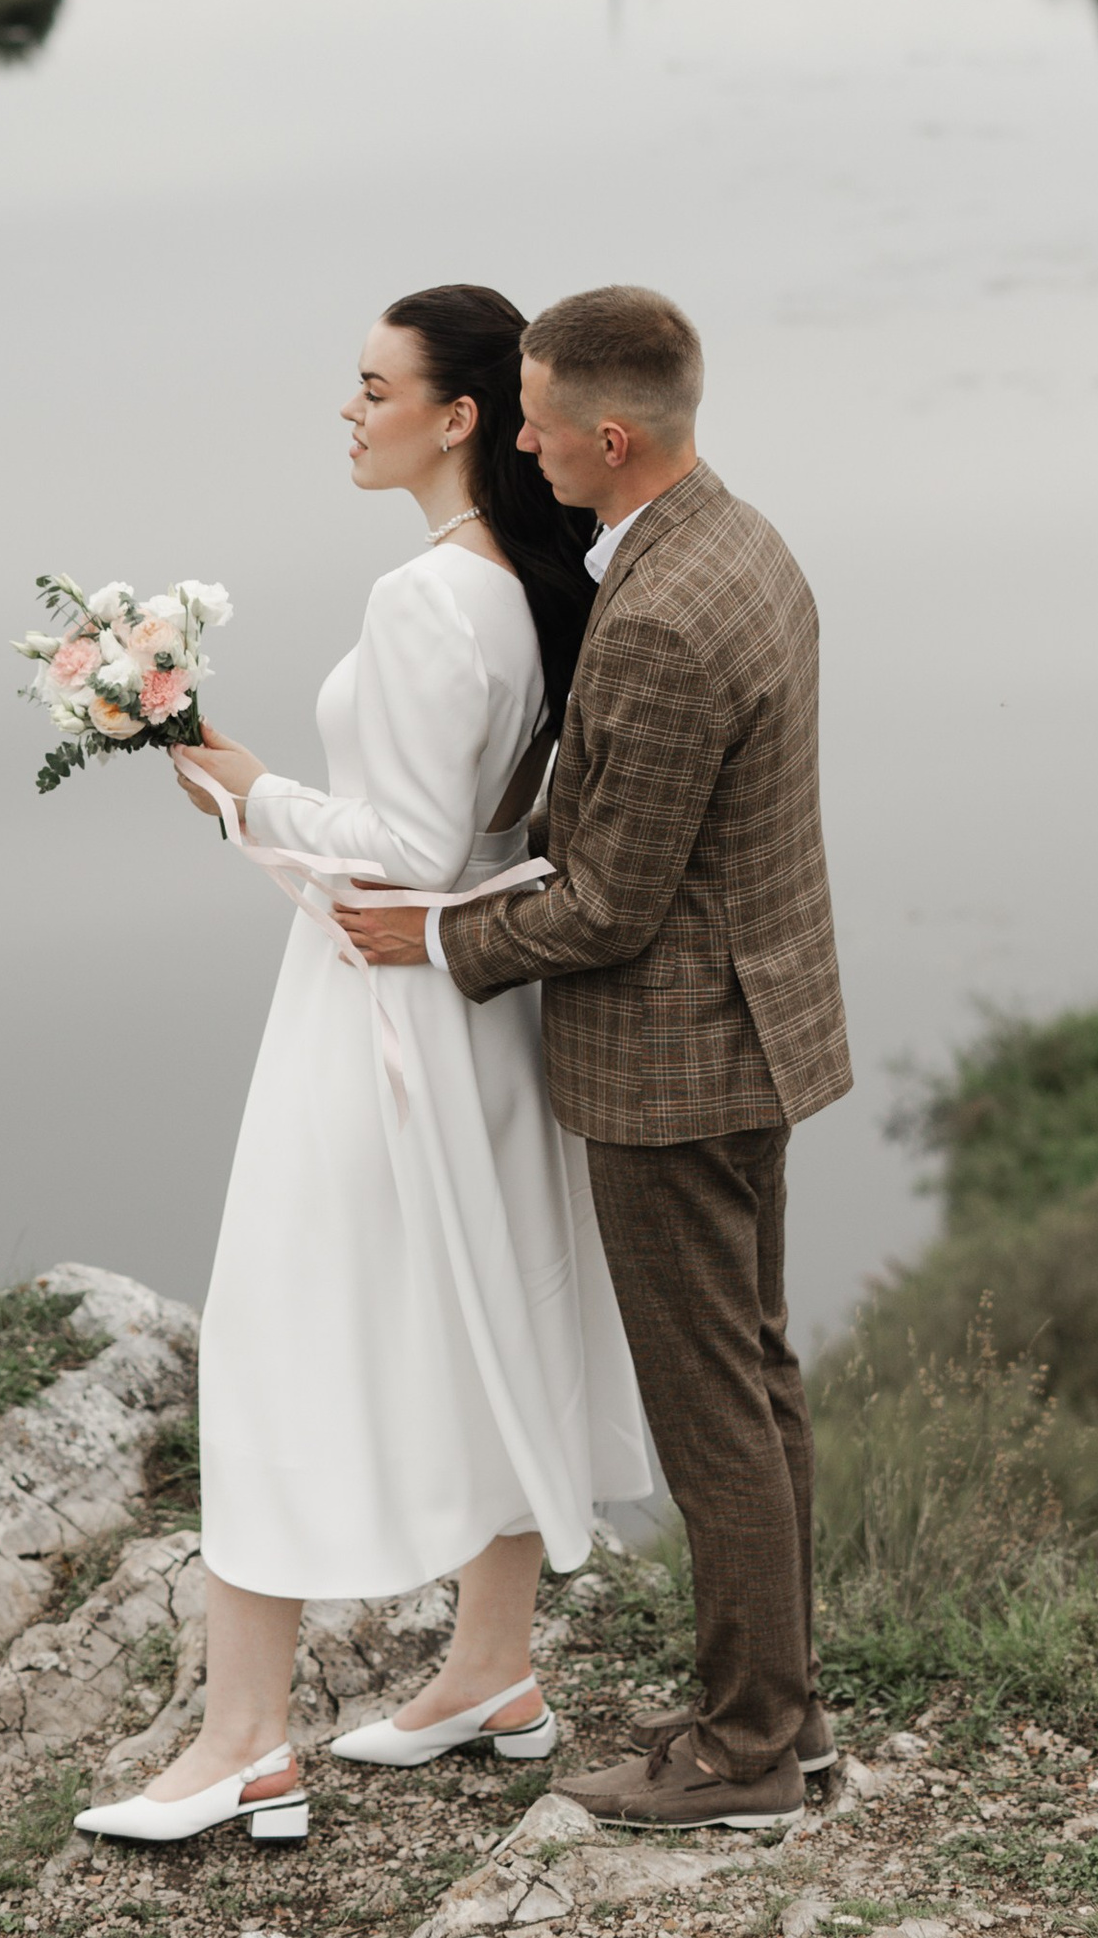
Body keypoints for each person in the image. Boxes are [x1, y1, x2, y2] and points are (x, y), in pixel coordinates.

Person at [73, 282, 650, 1850]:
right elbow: (478, 832)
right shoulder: (545, 581)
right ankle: (491, 1668)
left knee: (271, 1326)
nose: (349, 407)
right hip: (482, 1008)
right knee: (491, 1306)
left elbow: (397, 846)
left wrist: (248, 794)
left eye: (372, 384)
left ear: (456, 417)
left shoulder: (428, 599)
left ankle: (244, 1742)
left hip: (382, 1008)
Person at [337, 284, 851, 1829]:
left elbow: (614, 905)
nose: (527, 452)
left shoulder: (667, 620)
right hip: (758, 1030)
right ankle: (789, 1718)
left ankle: (749, 1751)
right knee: (755, 1386)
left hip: (678, 1066)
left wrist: (431, 940)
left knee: (715, 1414)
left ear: (609, 436)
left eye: (544, 426)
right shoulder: (736, 543)